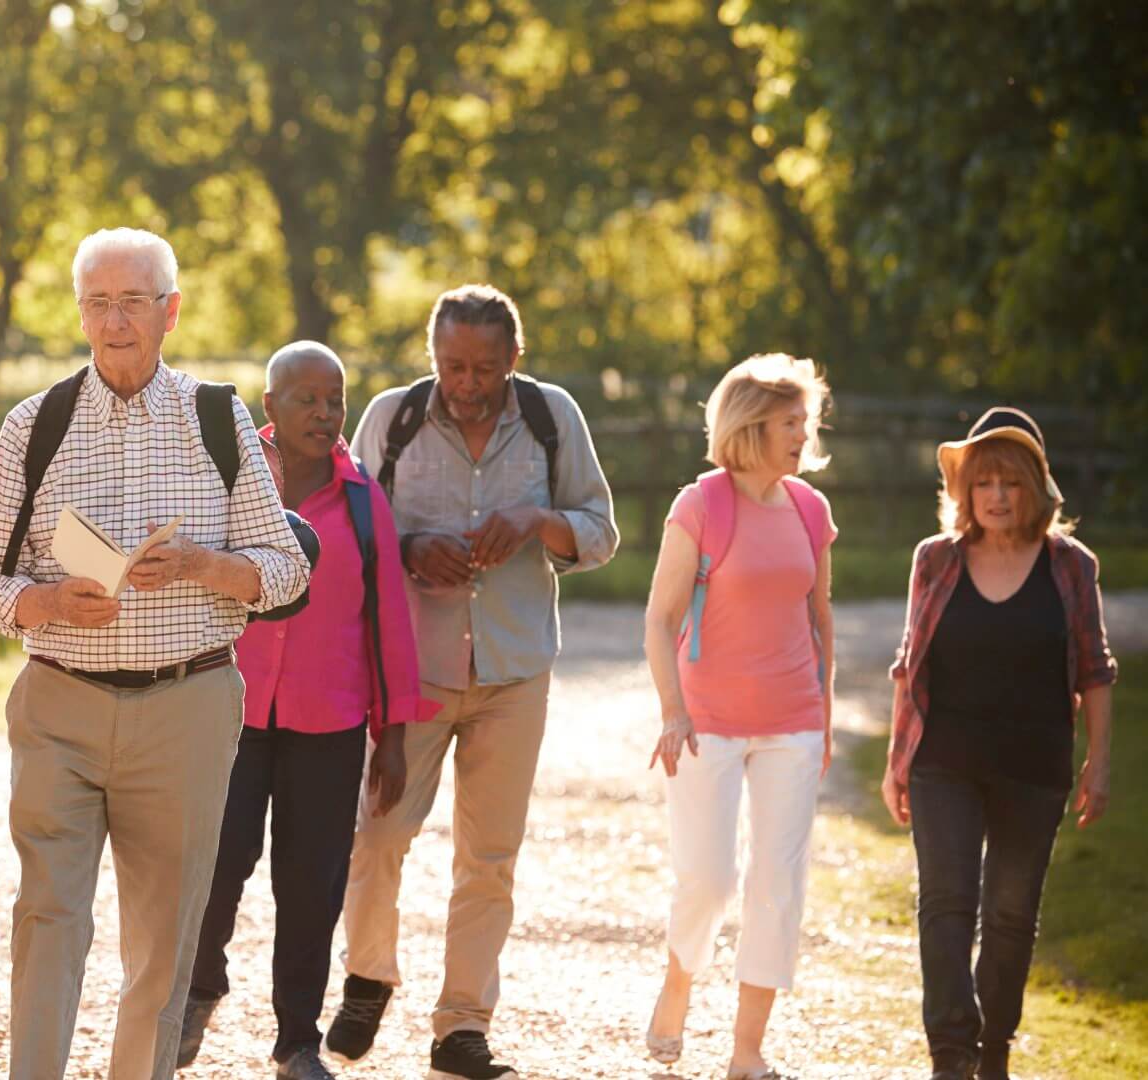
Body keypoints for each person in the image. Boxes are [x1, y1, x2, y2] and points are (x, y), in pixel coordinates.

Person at [0, 227, 311, 1080]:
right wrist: (49, 601)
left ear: (170, 312)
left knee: (163, 937)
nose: (115, 321)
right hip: (60, 702)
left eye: (133, 302)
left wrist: (201, 564)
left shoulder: (216, 416)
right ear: (79, 313)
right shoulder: (34, 424)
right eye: (98, 303)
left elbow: (284, 568)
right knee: (47, 916)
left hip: (186, 706)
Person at [326, 284, 619, 1080]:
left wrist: (536, 522)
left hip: (515, 670)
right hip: (412, 670)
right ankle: (367, 978)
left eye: (484, 368)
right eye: (452, 365)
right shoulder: (393, 418)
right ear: (433, 357)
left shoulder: (553, 419)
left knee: (489, 857)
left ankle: (462, 1026)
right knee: (380, 832)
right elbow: (354, 528)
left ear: (514, 360)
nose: (466, 383)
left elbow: (600, 531)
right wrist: (413, 546)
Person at [179, 342, 436, 1080]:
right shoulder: (225, 481)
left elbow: (388, 620)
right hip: (231, 714)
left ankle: (297, 1040)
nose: (325, 414)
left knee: (311, 883)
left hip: (330, 724)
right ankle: (197, 991)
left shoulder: (363, 503)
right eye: (307, 400)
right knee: (215, 863)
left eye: (336, 400)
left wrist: (392, 737)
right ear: (270, 407)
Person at [882, 407, 1115, 1080]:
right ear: (965, 492)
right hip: (943, 764)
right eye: (984, 482)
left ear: (1035, 490)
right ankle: (951, 1053)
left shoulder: (1072, 567)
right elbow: (910, 665)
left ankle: (993, 1052)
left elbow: (1096, 669)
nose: (997, 496)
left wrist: (1100, 763)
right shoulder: (936, 560)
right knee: (946, 906)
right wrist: (897, 764)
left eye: (1010, 482)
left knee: (1011, 918)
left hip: (1033, 767)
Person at [641, 353, 837, 1080]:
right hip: (707, 721)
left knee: (778, 885)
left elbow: (821, 618)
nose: (804, 435)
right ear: (752, 424)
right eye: (792, 422)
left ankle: (747, 1050)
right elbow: (660, 621)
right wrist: (672, 711)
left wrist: (824, 713)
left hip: (793, 720)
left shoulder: (812, 510)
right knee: (710, 879)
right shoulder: (702, 504)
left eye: (805, 422)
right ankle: (680, 978)